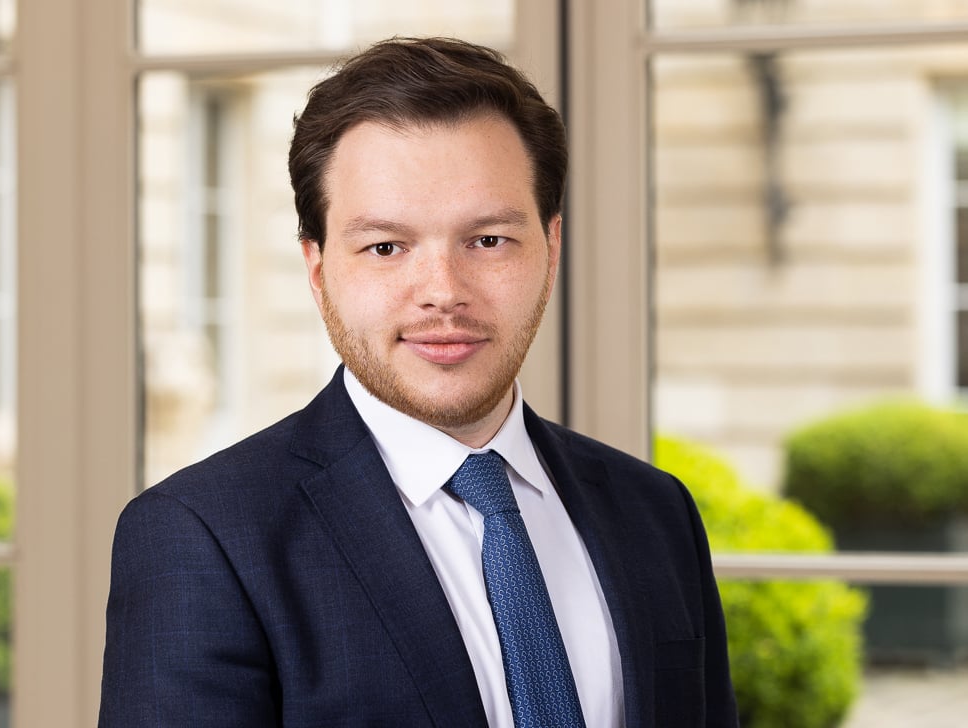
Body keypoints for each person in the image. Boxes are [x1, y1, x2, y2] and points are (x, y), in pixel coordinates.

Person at [99, 36, 738, 728]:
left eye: (488, 240)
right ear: (318, 270)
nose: (443, 292)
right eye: (386, 247)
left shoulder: (657, 514)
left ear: (551, 249)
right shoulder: (202, 539)